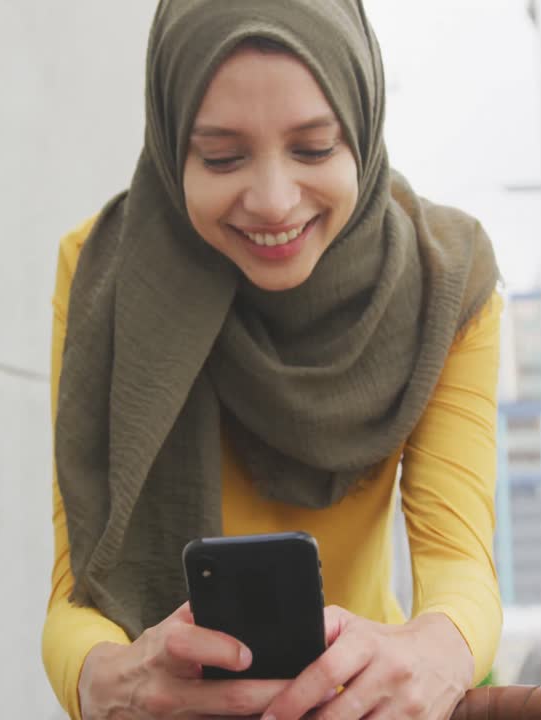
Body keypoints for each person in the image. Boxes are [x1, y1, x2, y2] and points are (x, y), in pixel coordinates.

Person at [42, 2, 504, 718]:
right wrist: (108, 679)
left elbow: (459, 562)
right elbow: (77, 591)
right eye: (221, 157)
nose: (273, 201)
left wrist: (434, 657)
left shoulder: (445, 282)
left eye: (314, 149)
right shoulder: (103, 275)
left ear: (362, 124)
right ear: (170, 141)